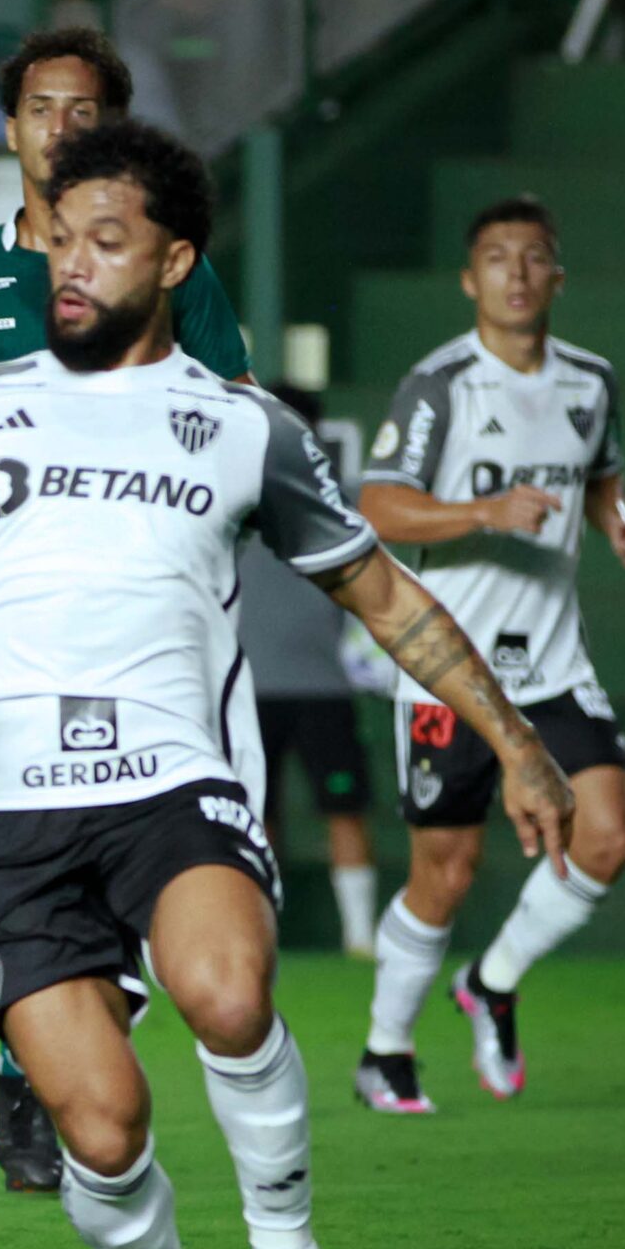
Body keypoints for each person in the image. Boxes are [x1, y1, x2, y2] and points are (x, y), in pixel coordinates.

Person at [0, 120, 572, 1249]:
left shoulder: (244, 427)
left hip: (168, 780)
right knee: (101, 1125)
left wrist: (514, 740)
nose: (68, 266)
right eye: (59, 240)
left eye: (105, 243)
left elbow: (384, 595)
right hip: (5, 809)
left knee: (229, 997)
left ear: (175, 260)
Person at [0, 25, 253, 1195]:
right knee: (35, 851)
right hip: (8, 630)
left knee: (151, 864)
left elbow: (233, 407)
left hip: (147, 627)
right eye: (39, 108)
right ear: (12, 126)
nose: (59, 130)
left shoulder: (165, 271)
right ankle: (31, 1059)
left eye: (84, 110)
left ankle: (60, 1068)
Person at [354, 196, 625, 1115]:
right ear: (468, 278)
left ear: (557, 277)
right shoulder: (442, 383)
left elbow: (598, 470)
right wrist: (485, 511)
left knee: (610, 834)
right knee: (447, 870)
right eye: (497, 258)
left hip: (555, 663)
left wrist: (618, 525)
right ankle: (385, 1049)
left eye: (534, 259)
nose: (516, 275)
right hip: (452, 668)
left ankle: (496, 978)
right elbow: (377, 506)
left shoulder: (591, 380)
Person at [238, 385, 380, 958]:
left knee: (344, 812)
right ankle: (259, 935)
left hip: (326, 689)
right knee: (254, 820)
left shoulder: (343, 503)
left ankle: (361, 938)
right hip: (245, 690)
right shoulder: (226, 499)